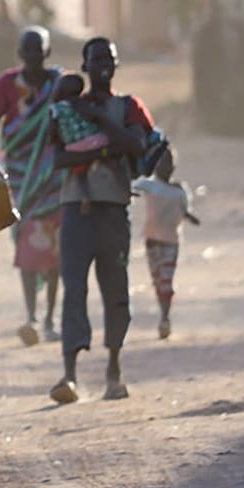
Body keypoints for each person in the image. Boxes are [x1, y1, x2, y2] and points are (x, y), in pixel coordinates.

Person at [49, 38, 154, 405]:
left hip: (112, 207)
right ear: (85, 65)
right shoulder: (65, 108)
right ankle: (70, 375)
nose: (103, 65)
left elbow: (138, 146)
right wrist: (107, 148)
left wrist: (96, 121)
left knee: (115, 289)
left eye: (109, 59)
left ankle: (114, 369)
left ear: (116, 63)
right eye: (96, 60)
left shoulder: (127, 106)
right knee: (73, 289)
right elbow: (57, 158)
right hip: (76, 208)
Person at [0, 28, 66, 346]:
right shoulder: (6, 85)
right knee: (28, 249)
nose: (33, 57)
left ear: (47, 53)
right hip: (22, 180)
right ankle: (31, 317)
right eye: (27, 52)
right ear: (19, 54)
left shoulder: (59, 84)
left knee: (55, 252)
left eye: (38, 51)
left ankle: (51, 318)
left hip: (54, 177)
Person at [133, 147, 199, 339]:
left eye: (168, 164)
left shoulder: (179, 190)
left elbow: (184, 210)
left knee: (166, 281)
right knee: (158, 280)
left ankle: (165, 318)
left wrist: (190, 217)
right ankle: (164, 316)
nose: (165, 167)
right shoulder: (149, 185)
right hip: (152, 241)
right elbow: (130, 188)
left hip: (171, 241)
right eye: (162, 163)